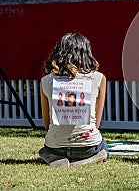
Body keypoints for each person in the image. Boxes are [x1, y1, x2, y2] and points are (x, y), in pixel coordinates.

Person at [39, 33, 108, 167]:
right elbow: (96, 123)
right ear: (87, 53)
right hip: (88, 146)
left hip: (55, 146)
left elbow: (47, 125)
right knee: (104, 147)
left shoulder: (46, 81)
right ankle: (85, 160)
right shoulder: (99, 78)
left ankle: (55, 159)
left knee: (44, 150)